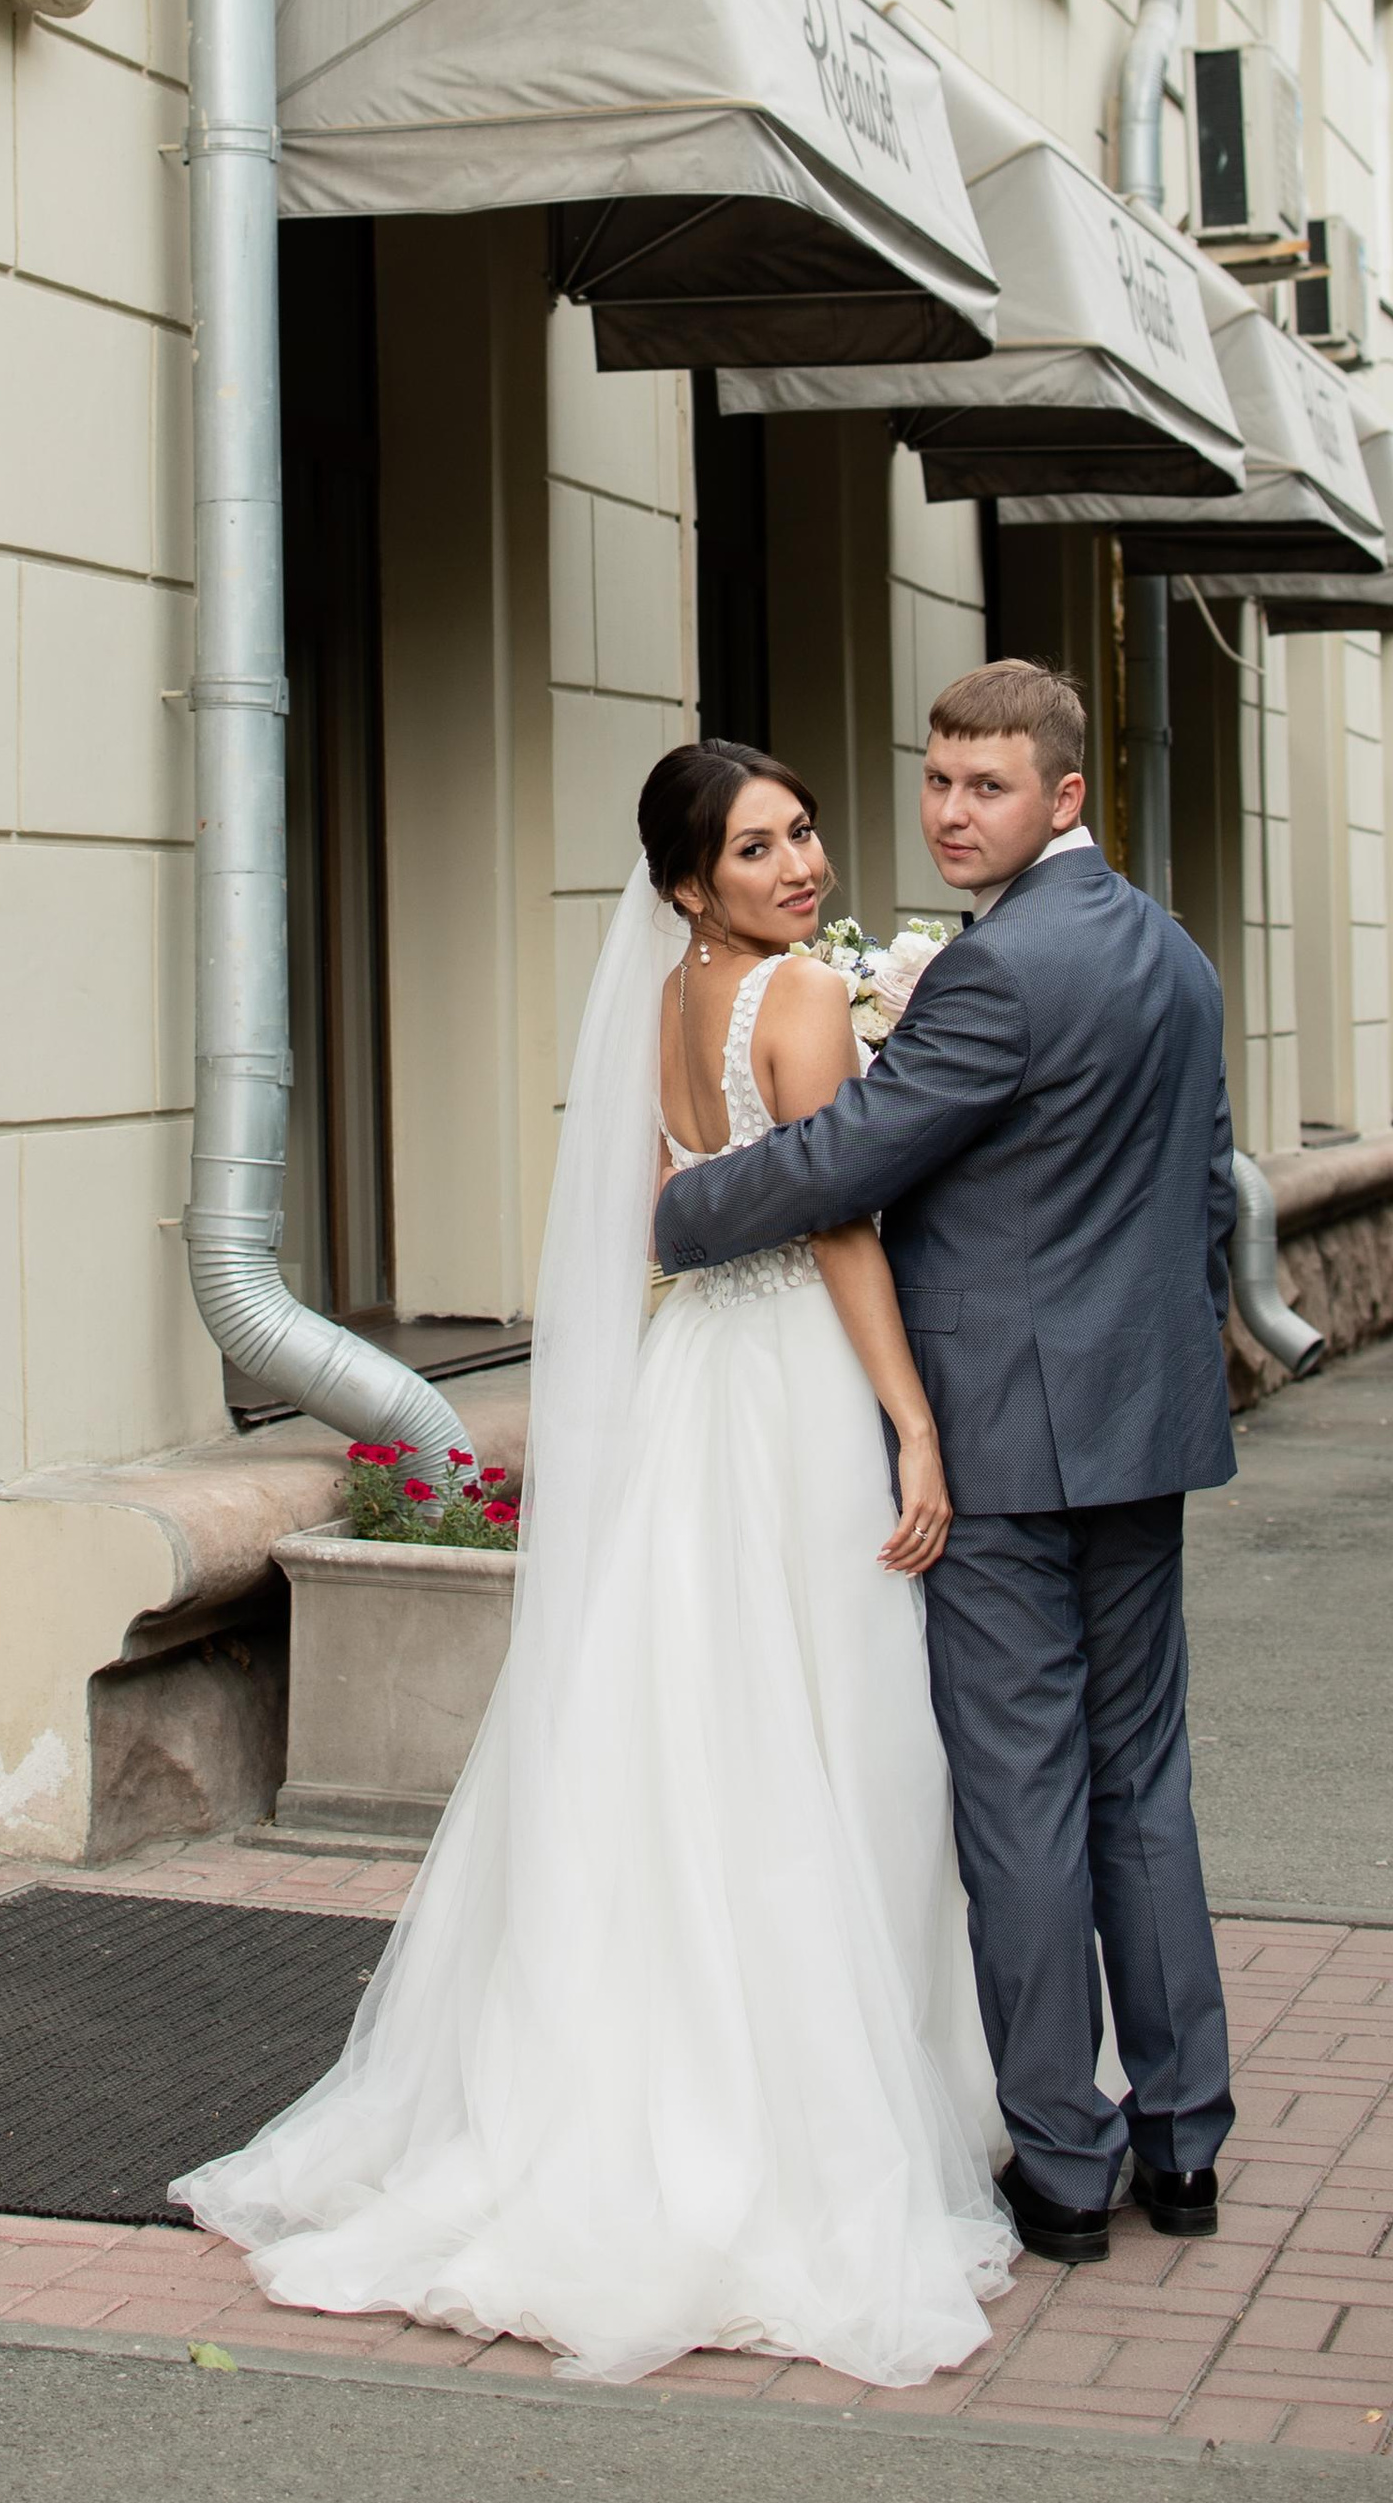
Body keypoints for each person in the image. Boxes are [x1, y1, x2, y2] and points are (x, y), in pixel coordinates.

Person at [173, 740, 1015, 2388]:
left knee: (674, 1724)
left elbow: (658, 1213)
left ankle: (627, 2085)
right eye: (758, 847)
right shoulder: (800, 1001)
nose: (801, 864)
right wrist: (912, 1419)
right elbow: (839, 1222)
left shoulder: (655, 1005)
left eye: (803, 831)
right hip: (788, 1398)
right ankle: (822, 2112)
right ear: (690, 881)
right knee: (827, 1735)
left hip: (698, 1379)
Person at [654, 660, 1238, 2266]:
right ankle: (1183, 2142)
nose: (948, 812)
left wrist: (677, 1210)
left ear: (1064, 795)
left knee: (1024, 1800)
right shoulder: (1175, 957)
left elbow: (849, 1157)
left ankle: (1064, 2160)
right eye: (935, 780)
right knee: (1146, 1786)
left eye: (986, 787)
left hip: (1000, 1441)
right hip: (1144, 1431)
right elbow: (1208, 1197)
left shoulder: (999, 976)